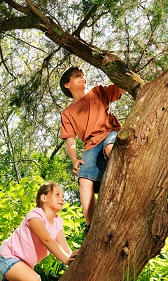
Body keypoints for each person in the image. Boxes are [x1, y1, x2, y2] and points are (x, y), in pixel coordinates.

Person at [59, 66, 127, 233]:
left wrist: (119, 71)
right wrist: (74, 160)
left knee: (111, 148)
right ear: (67, 85)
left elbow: (123, 87)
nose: (82, 78)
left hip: (110, 133)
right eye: (76, 76)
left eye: (83, 75)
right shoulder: (67, 112)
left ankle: (126, 184)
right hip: (91, 146)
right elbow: (70, 140)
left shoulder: (98, 92)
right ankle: (91, 227)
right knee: (84, 178)